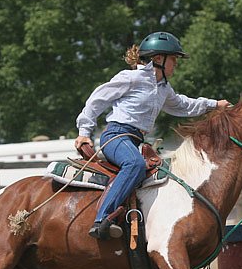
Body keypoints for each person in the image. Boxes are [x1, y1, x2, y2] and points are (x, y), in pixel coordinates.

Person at [75, 31, 230, 240]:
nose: (176, 64)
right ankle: (102, 219)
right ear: (158, 59)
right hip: (116, 136)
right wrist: (84, 131)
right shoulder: (130, 78)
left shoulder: (164, 88)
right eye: (173, 59)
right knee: (135, 165)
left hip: (137, 140)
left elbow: (184, 105)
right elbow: (97, 100)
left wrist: (214, 105)